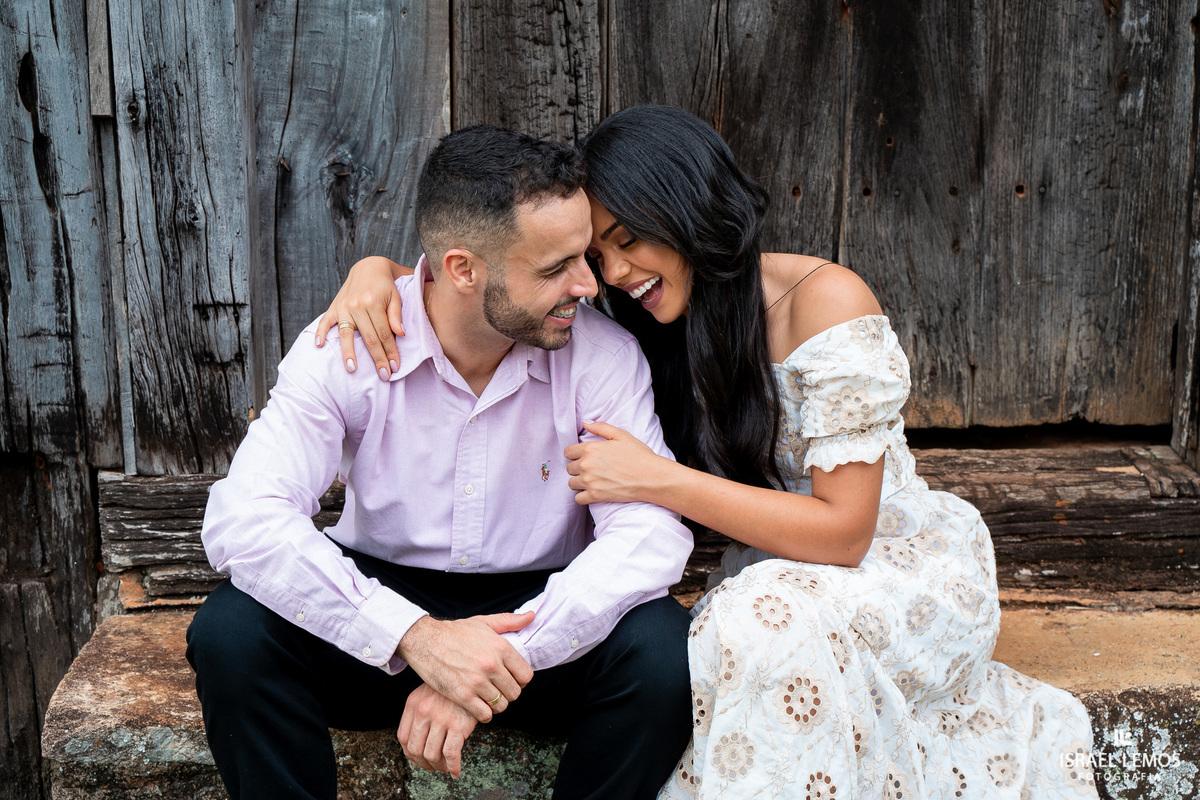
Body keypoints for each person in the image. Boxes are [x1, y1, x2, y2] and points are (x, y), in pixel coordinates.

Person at [319, 106, 1099, 799]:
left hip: (886, 571)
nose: (615, 274)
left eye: (630, 242)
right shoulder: (640, 328)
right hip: (769, 582)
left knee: (747, 629)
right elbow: (479, 279)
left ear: (688, 212)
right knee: (729, 629)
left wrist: (660, 479)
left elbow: (845, 534)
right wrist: (372, 273)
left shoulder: (822, 301)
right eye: (598, 252)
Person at [186, 124, 695, 800]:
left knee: (664, 653)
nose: (588, 285)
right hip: (383, 615)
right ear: (462, 269)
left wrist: (503, 656)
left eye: (586, 256)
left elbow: (649, 535)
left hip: (543, 617)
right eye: (555, 268)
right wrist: (415, 637)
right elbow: (244, 520)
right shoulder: (348, 345)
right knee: (231, 634)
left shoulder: (601, 357)